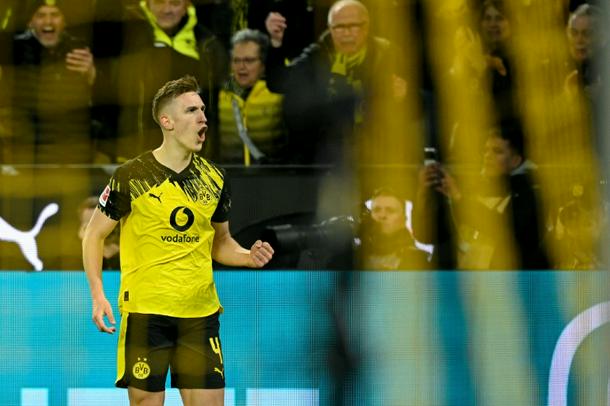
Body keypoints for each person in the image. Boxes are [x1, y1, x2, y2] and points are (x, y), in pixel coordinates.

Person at [82, 75, 274, 405]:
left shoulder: (215, 178)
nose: (203, 118)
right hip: (146, 313)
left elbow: (221, 241)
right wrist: (98, 295)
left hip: (200, 315)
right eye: (191, 110)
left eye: (203, 110)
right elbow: (93, 234)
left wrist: (247, 256)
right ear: (166, 121)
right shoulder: (132, 176)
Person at [264, 0, 405, 164]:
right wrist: (275, 42)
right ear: (330, 29)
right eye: (338, 27)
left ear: (366, 27)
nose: (346, 34)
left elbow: (416, 105)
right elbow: (278, 83)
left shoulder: (387, 54)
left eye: (353, 26)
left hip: (378, 156)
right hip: (328, 158)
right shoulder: (318, 56)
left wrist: (403, 97)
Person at [93, 0, 228, 162]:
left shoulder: (208, 45)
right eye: (159, 2)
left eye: (175, 3)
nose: (167, 10)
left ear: (186, 6)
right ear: (147, 3)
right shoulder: (124, 34)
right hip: (134, 156)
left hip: (190, 161)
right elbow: (108, 93)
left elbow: (214, 109)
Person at [414, 121, 550, 270]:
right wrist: (423, 194)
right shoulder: (472, 191)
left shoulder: (533, 192)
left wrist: (459, 198)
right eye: (486, 150)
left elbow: (510, 233)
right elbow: (429, 236)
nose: (487, 156)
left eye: (497, 151)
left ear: (515, 161)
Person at [0, 0, 96, 164]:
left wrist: (92, 75)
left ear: (64, 21)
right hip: (25, 147)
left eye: (54, 15)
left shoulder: (79, 50)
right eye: (41, 15)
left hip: (69, 147)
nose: (48, 22)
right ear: (30, 22)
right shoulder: (12, 50)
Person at [216, 28, 286, 165]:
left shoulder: (278, 94)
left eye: (249, 60)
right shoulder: (219, 94)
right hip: (230, 174)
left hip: (272, 174)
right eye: (236, 60)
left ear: (263, 64)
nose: (241, 67)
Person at [359, 188, 429, 270]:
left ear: (403, 219)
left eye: (390, 210)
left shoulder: (419, 259)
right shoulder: (355, 255)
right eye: (376, 210)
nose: (382, 215)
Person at [78, 196, 120, 270]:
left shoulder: (123, 248)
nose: (93, 230)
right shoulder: (72, 256)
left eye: (97, 223)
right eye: (88, 225)